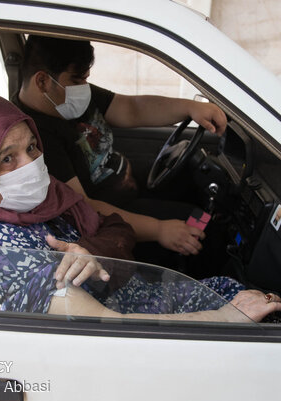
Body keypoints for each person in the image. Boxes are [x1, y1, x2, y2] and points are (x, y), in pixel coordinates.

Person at [0, 92, 281, 322]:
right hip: (134, 327)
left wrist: (91, 249)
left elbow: (110, 226)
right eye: (7, 158)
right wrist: (227, 319)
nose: (29, 164)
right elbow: (105, 329)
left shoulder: (33, 200)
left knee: (245, 293)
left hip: (139, 295)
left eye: (32, 147)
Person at [13, 35, 228, 267]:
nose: (83, 87)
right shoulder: (32, 137)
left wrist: (190, 107)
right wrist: (159, 230)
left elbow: (131, 108)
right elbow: (84, 206)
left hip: (131, 191)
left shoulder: (66, 95)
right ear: (43, 82)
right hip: (113, 219)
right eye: (77, 79)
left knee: (204, 207)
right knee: (203, 228)